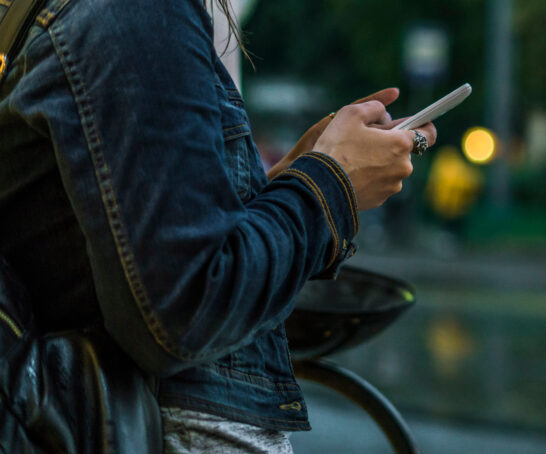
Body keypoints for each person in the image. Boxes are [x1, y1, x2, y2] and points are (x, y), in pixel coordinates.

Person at [0, 0, 436, 452]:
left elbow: (129, 242)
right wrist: (329, 184)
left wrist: (288, 184)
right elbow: (184, 309)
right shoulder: (136, 13)